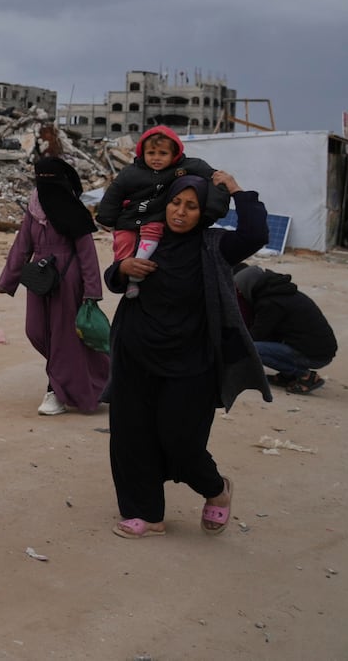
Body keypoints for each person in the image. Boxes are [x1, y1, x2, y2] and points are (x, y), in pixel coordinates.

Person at [105, 171, 271, 540]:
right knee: (131, 437)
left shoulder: (214, 246)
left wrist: (237, 189)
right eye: (176, 203)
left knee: (180, 440)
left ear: (203, 212)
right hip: (135, 356)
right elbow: (115, 278)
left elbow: (257, 234)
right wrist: (122, 269)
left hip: (189, 363)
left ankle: (216, 488)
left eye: (191, 206)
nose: (180, 212)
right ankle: (147, 515)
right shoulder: (148, 236)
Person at [0, 157, 110, 415]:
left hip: (68, 282)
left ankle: (57, 392)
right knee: (35, 331)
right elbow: (22, 246)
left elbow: (87, 254)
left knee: (64, 340)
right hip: (38, 279)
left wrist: (92, 292)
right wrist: (8, 280)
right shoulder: (33, 211)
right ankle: (100, 378)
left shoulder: (73, 210)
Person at [96, 126, 229, 300]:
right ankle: (128, 277)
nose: (156, 158)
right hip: (130, 219)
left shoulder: (187, 167)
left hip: (155, 218)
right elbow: (114, 193)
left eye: (163, 153)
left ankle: (137, 276)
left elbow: (216, 179)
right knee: (124, 243)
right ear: (142, 152)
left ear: (174, 154)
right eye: (151, 153)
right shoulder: (131, 172)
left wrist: (212, 211)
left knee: (152, 233)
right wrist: (107, 218)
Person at [233, 265, 337, 394]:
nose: (239, 293)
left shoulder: (271, 303)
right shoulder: (279, 293)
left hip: (315, 355)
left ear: (248, 286)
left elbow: (256, 335)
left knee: (251, 348)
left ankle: (306, 376)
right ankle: (288, 375)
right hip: (317, 349)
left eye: (239, 289)